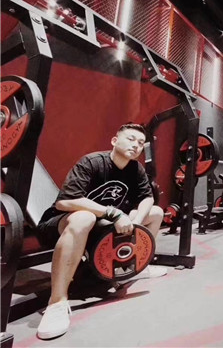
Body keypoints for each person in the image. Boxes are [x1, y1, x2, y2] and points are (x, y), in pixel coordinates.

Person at [35, 123, 167, 340]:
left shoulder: (136, 169)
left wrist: (135, 222)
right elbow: (65, 202)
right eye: (131, 139)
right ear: (114, 141)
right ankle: (57, 302)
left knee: (155, 213)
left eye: (141, 143)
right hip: (60, 225)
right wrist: (113, 213)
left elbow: (147, 198)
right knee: (84, 217)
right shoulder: (92, 162)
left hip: (100, 228)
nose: (136, 145)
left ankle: (136, 265)